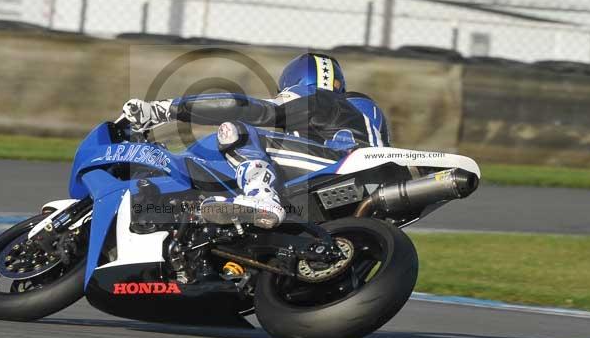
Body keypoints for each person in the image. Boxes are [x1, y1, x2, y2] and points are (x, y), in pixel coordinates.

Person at [122, 53, 390, 229]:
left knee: (236, 130)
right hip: (349, 187)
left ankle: (261, 196)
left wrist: (163, 110)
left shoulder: (317, 98)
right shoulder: (359, 110)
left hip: (341, 166)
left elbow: (248, 109)